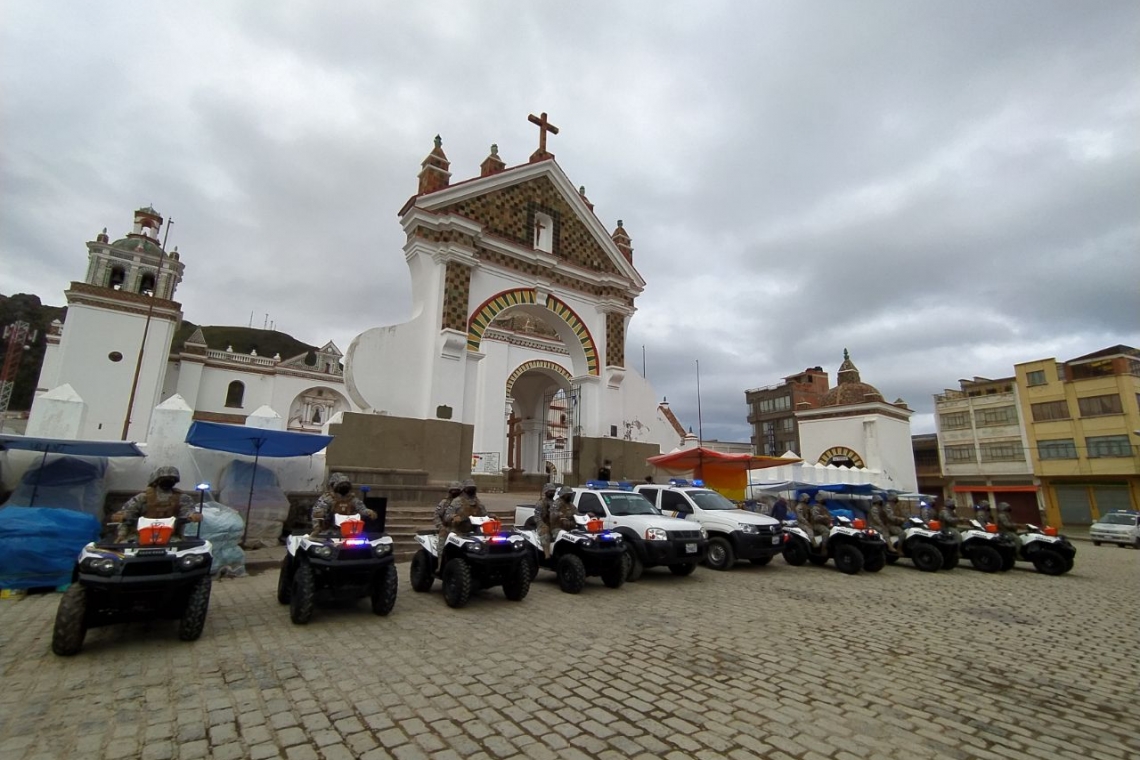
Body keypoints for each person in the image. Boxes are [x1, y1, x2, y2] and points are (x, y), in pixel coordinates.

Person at [115, 465, 201, 542]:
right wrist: (122, 527)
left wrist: (193, 515)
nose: (168, 481)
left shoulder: (182, 498)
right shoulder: (142, 497)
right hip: (140, 536)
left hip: (170, 537)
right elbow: (128, 514)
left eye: (171, 479)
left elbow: (187, 510)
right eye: (164, 479)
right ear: (156, 480)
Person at [312, 473, 377, 532]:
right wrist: (317, 527)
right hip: (330, 530)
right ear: (332, 486)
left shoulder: (352, 499)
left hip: (351, 530)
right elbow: (317, 514)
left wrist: (368, 512)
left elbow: (361, 509)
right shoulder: (327, 498)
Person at [440, 478, 488, 546]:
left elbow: (485, 515)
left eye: (473, 488)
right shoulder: (457, 501)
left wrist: (491, 516)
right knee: (445, 543)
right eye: (469, 489)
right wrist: (454, 517)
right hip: (458, 530)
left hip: (474, 531)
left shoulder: (478, 502)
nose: (471, 491)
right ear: (464, 490)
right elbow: (446, 516)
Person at [534, 482, 559, 558]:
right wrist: (542, 525)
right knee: (545, 536)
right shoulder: (540, 503)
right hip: (543, 525)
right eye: (550, 491)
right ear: (546, 492)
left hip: (554, 525)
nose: (552, 493)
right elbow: (537, 517)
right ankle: (547, 555)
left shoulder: (556, 503)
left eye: (553, 491)